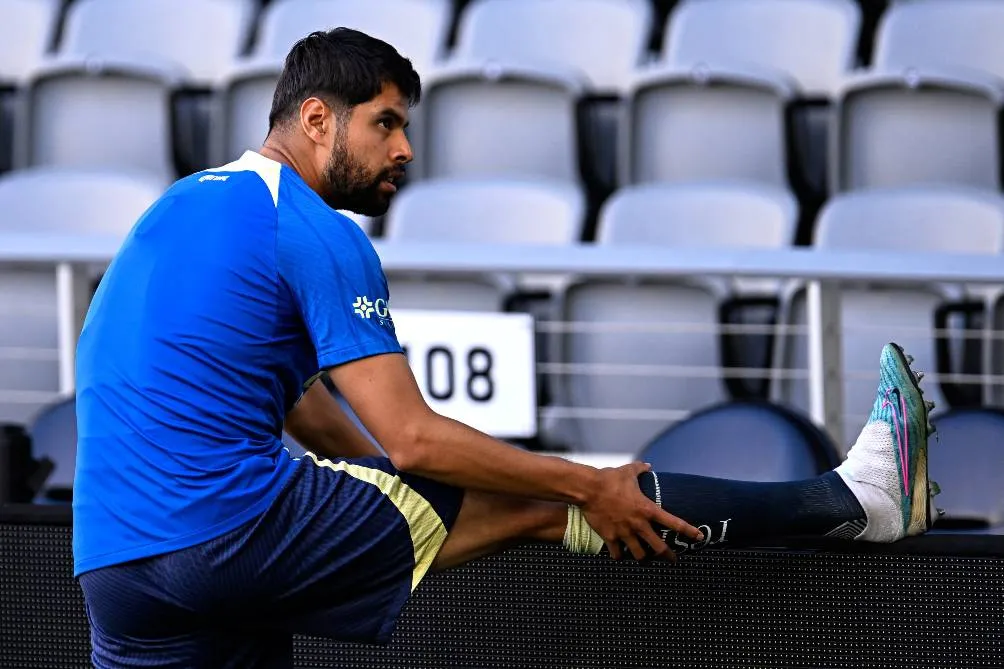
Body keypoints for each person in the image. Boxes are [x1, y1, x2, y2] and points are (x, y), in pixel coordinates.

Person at [72, 28, 939, 669]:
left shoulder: (181, 204)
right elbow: (408, 441)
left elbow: (310, 412)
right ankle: (855, 499)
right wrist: (584, 482)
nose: (406, 149)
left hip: (112, 566)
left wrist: (405, 475)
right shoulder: (311, 228)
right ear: (315, 120)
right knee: (536, 501)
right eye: (386, 124)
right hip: (227, 528)